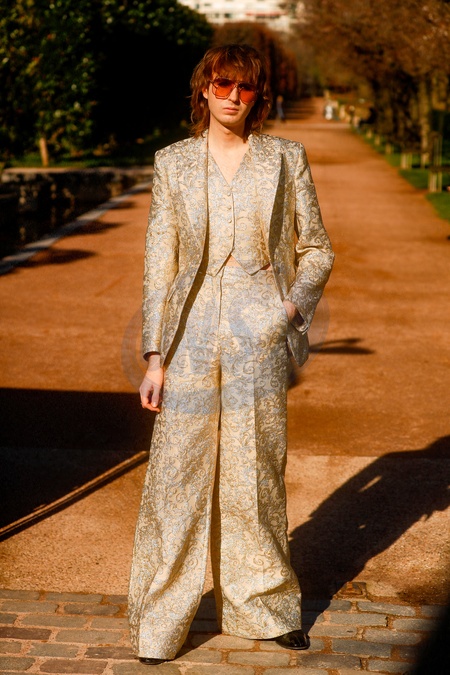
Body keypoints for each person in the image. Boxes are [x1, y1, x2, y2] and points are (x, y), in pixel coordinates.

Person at [128, 43, 334, 665]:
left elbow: (317, 249)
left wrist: (289, 310)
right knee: (177, 476)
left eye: (244, 87)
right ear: (203, 89)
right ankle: (161, 621)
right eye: (221, 84)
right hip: (189, 333)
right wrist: (155, 356)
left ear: (257, 96)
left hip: (259, 332)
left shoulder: (285, 158)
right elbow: (159, 263)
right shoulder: (172, 163)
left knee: (255, 472)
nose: (232, 96)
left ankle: (264, 607)